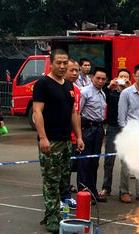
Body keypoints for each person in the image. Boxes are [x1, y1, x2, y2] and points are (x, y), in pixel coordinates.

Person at [32, 48, 84, 233]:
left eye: (65, 63)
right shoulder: (43, 84)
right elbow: (37, 112)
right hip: (50, 140)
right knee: (51, 180)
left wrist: (78, 137)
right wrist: (43, 137)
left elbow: (74, 113)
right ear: (51, 63)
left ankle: (56, 212)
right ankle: (52, 217)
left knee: (63, 180)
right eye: (59, 63)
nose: (62, 66)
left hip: (66, 141)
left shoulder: (69, 86)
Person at [117, 64, 139, 203]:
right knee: (126, 164)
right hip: (130, 132)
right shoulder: (126, 93)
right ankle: (124, 192)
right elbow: (122, 115)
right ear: (134, 76)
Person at [99, 68, 131, 198]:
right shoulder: (111, 93)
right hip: (112, 128)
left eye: (126, 77)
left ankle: (124, 191)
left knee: (126, 161)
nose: (123, 79)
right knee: (109, 159)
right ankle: (106, 187)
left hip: (126, 129)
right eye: (121, 76)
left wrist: (129, 88)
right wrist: (109, 86)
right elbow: (101, 95)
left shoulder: (131, 93)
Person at [78, 67, 108, 203]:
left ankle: (93, 191)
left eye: (103, 79)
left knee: (94, 162)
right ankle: (83, 193)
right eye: (98, 78)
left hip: (99, 129)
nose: (100, 81)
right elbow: (77, 113)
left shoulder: (102, 93)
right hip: (87, 129)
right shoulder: (85, 92)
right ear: (92, 77)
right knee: (85, 162)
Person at [60, 58, 81, 208]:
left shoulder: (77, 90)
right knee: (58, 170)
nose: (74, 73)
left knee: (68, 169)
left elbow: (77, 114)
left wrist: (79, 136)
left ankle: (66, 196)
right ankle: (57, 198)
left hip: (73, 138)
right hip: (58, 137)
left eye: (77, 70)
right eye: (71, 70)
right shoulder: (57, 88)